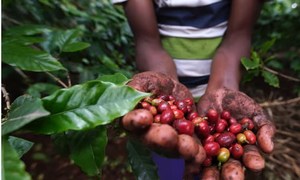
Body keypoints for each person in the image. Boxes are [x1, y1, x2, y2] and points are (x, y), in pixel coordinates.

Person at [112, 0, 275, 179]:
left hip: (219, 95)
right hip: (166, 102)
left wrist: (224, 85)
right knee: (168, 160)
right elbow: (147, 41)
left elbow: (239, 35)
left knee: (206, 165)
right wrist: (164, 86)